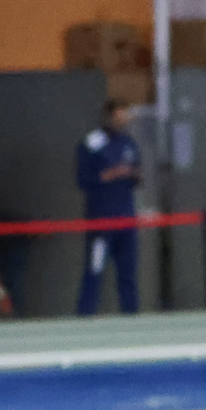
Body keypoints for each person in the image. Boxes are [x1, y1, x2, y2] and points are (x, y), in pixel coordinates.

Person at [74, 98, 143, 317]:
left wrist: (132, 175)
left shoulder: (129, 143)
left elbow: (137, 174)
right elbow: (83, 179)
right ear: (110, 115)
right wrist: (110, 174)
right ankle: (85, 317)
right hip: (102, 220)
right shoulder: (93, 143)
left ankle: (131, 318)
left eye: (126, 115)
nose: (124, 119)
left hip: (126, 218)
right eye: (120, 114)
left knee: (128, 274)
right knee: (94, 271)